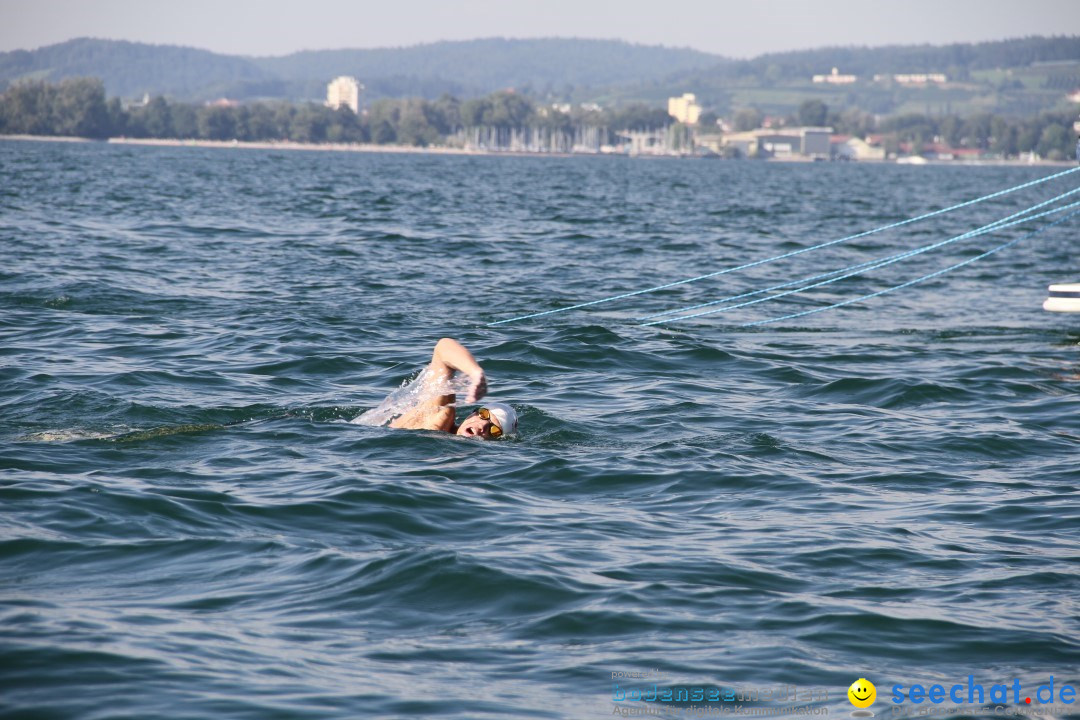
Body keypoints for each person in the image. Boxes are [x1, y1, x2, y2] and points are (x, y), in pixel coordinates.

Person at [386, 337, 518, 439]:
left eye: (494, 430)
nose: (483, 426)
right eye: (484, 415)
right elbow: (443, 347)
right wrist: (474, 372)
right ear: (472, 413)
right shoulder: (441, 417)